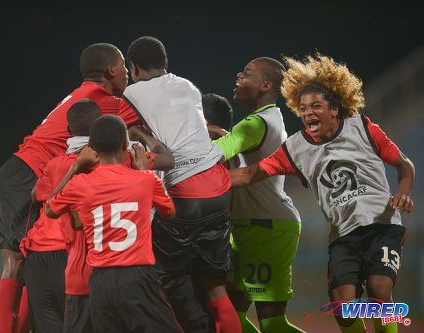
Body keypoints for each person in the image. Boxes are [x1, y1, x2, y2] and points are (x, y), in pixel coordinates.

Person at [230, 53, 415, 333]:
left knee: (379, 289)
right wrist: (198, 177)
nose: (308, 113)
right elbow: (247, 175)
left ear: (335, 110)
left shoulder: (363, 128)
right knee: (343, 308)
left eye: (316, 106)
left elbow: (405, 165)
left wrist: (403, 192)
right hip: (343, 236)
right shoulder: (295, 148)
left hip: (382, 225)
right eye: (303, 108)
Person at [0, 42, 139, 333]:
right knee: (17, 264)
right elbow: (144, 130)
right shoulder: (106, 101)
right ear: (111, 70)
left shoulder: (81, 93)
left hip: (21, 170)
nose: (128, 73)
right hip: (29, 174)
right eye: (124, 66)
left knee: (25, 260)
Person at [120, 36, 240, 333]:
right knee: (216, 290)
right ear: (167, 64)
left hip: (180, 197)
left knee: (167, 283)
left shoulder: (131, 94)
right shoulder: (188, 86)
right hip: (216, 192)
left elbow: (122, 132)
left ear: (132, 68)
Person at [22, 99, 175, 333]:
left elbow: (49, 206)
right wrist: (145, 166)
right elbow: (170, 208)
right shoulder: (143, 175)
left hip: (96, 279)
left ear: (91, 145)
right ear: (126, 143)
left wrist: (75, 169)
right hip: (137, 274)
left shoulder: (75, 178)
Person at [208, 58, 305, 333]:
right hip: (254, 227)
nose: (239, 74)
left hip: (267, 228)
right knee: (231, 321)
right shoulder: (267, 120)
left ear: (265, 85)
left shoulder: (255, 124)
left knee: (272, 324)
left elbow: (216, 153)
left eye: (247, 73)